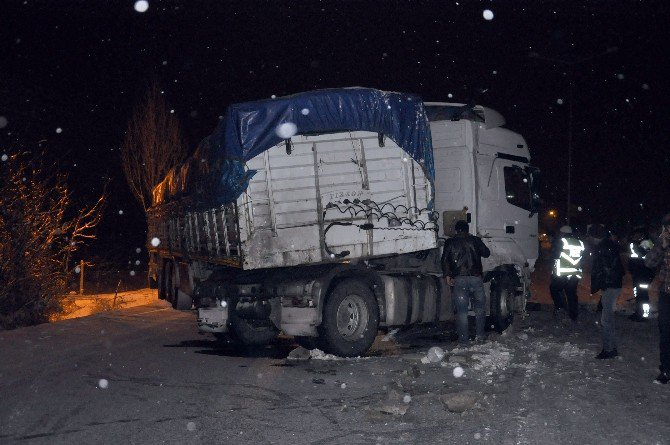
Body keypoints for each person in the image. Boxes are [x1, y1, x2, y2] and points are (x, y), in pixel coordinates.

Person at [441, 220, 491, 346]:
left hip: (459, 280)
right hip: (476, 278)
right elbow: (487, 253)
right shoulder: (475, 240)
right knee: (479, 309)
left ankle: (463, 341)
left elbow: (445, 259)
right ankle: (480, 336)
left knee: (462, 312)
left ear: (456, 230)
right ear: (467, 230)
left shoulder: (450, 242)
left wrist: (447, 275)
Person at [590, 228, 625, 359]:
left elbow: (605, 268)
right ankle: (611, 347)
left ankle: (609, 349)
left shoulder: (603, 247)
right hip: (613, 284)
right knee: (608, 317)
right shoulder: (608, 245)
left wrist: (602, 283)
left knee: (606, 319)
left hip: (610, 285)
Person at [645, 214, 670, 384]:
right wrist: (661, 246)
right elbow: (649, 262)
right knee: (666, 333)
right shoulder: (665, 245)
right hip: (667, 294)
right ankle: (666, 369)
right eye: (667, 227)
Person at [549, 225, 585, 322]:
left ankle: (560, 308)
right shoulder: (580, 243)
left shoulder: (561, 241)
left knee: (554, 289)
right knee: (571, 294)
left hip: (563, 273)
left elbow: (554, 255)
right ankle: (573, 315)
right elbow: (584, 257)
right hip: (575, 274)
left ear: (562, 233)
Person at [628, 226, 655, 321]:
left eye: (636, 234)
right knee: (638, 294)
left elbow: (642, 254)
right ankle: (638, 312)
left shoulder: (647, 243)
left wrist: (635, 244)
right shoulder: (637, 243)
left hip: (644, 274)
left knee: (643, 295)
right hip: (637, 273)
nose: (634, 236)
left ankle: (643, 315)